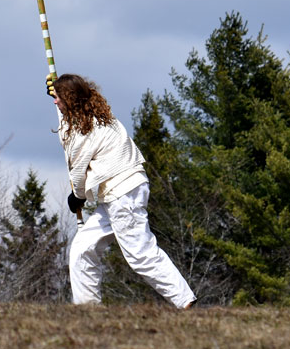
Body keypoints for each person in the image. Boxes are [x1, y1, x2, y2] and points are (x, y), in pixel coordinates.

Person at [48, 73, 196, 308]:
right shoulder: (99, 117)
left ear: (70, 99)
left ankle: (186, 302)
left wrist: (78, 196)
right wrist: (57, 95)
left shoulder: (86, 131)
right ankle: (87, 309)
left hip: (122, 195)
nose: (55, 102)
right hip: (121, 192)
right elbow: (69, 127)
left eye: (59, 99)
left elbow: (76, 170)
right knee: (83, 248)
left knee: (141, 255)